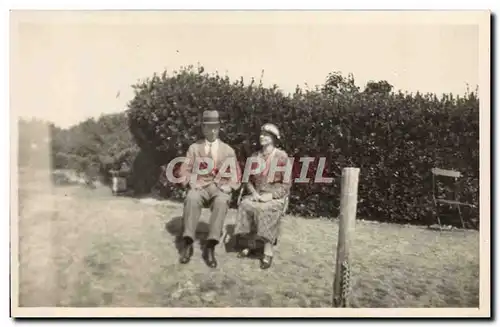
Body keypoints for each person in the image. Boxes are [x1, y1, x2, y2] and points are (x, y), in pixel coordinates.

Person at [177, 110, 241, 268]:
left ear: (219, 128)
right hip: (200, 186)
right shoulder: (194, 148)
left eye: (215, 127)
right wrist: (192, 182)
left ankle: (210, 246)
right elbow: (184, 170)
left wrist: (230, 186)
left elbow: (236, 174)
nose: (212, 131)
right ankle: (188, 242)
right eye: (209, 127)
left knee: (222, 201)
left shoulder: (228, 150)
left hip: (219, 188)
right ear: (203, 128)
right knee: (191, 198)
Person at [234, 123, 291, 269]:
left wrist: (270, 196)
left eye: (266, 135)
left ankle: (268, 250)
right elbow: (246, 180)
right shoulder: (254, 156)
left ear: (273, 138)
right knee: (246, 205)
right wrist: (253, 193)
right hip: (257, 194)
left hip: (274, 197)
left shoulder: (282, 156)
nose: (262, 137)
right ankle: (251, 244)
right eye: (261, 134)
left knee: (265, 209)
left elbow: (286, 184)